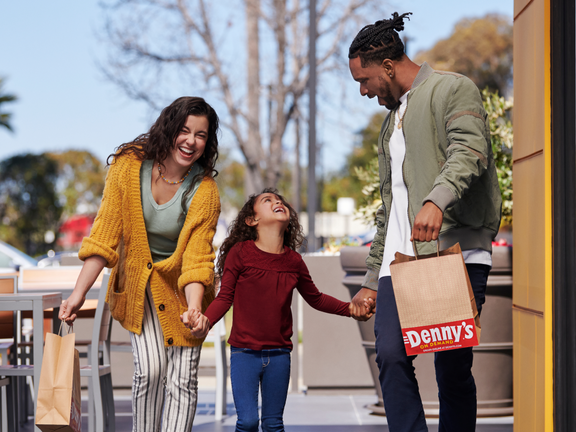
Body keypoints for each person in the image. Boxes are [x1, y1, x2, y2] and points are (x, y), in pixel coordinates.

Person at [347, 12, 502, 432]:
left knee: (451, 369)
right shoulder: (389, 123)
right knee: (392, 355)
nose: (363, 91)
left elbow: (470, 150)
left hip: (453, 254)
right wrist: (368, 279)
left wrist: (436, 200)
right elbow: (390, 206)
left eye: (364, 80)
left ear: (388, 66)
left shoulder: (452, 88)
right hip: (399, 263)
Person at [59, 96, 221, 432]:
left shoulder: (205, 191)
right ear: (169, 128)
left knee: (183, 378)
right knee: (150, 370)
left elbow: (197, 258)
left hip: (183, 291)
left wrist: (194, 308)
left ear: (208, 142)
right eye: (184, 130)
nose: (191, 141)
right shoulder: (128, 167)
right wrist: (78, 294)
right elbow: (104, 235)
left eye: (201, 135)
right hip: (139, 284)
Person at [184, 188, 371, 432]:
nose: (277, 202)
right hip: (244, 355)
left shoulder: (294, 261)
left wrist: (350, 309)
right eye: (268, 200)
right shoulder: (239, 253)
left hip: (280, 355)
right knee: (248, 422)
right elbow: (224, 297)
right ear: (252, 220)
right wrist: (206, 320)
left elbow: (316, 299)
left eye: (280, 200)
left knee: (273, 424)